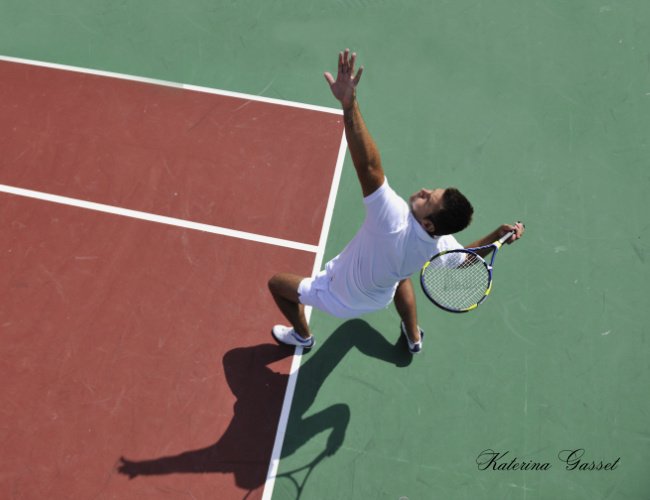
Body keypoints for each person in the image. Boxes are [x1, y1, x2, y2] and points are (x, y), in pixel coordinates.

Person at [268, 49, 524, 354]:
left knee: (277, 284)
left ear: (428, 221)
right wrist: (497, 236)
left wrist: (349, 106)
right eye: (433, 190)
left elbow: (369, 168)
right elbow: (467, 259)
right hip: (380, 295)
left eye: (429, 198)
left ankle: (302, 336)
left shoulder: (391, 219)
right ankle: (413, 336)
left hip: (337, 297)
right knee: (403, 278)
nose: (425, 190)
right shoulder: (437, 243)